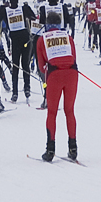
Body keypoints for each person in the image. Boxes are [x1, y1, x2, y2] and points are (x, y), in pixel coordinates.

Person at [36, 11, 79, 161]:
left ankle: (50, 150)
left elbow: (41, 67)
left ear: (47, 24)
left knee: (52, 113)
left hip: (54, 75)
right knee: (69, 111)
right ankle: (73, 148)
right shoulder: (68, 37)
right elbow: (73, 56)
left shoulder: (42, 39)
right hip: (72, 74)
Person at [0, 0, 36, 103]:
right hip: (25, 39)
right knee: (25, 65)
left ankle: (15, 93)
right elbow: (33, 17)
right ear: (17, 0)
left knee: (16, 66)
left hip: (15, 42)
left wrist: (1, 9)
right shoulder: (23, 8)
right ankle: (27, 88)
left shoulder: (5, 11)